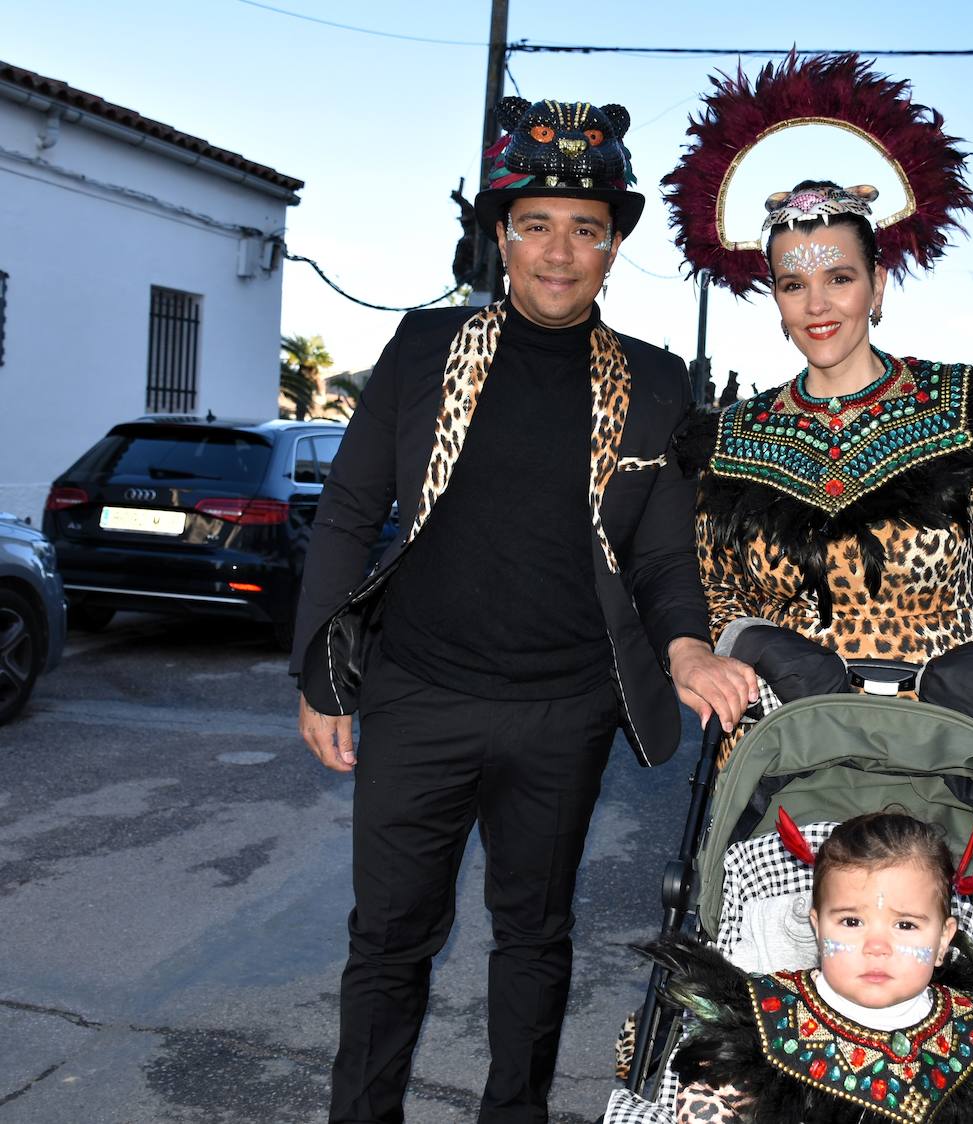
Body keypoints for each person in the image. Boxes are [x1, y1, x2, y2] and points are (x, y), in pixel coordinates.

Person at [289, 93, 756, 1124]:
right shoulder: (422, 350)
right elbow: (349, 514)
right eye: (535, 224)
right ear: (499, 236)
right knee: (388, 940)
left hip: (565, 710)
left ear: (614, 244)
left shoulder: (655, 381)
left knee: (534, 936)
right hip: (416, 697)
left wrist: (685, 646)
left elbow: (664, 552)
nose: (559, 250)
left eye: (586, 228)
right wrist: (321, 675)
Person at [660, 56, 973, 744]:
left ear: (877, 288)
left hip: (938, 748)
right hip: (788, 754)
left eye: (840, 278)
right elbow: (718, 590)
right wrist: (742, 660)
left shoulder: (968, 410)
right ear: (776, 298)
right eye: (793, 285)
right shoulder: (732, 437)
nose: (817, 305)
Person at [647, 812, 973, 1123]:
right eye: (852, 922)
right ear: (817, 927)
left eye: (905, 925)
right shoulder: (767, 1019)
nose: (876, 946)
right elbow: (706, 1099)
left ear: (944, 940)